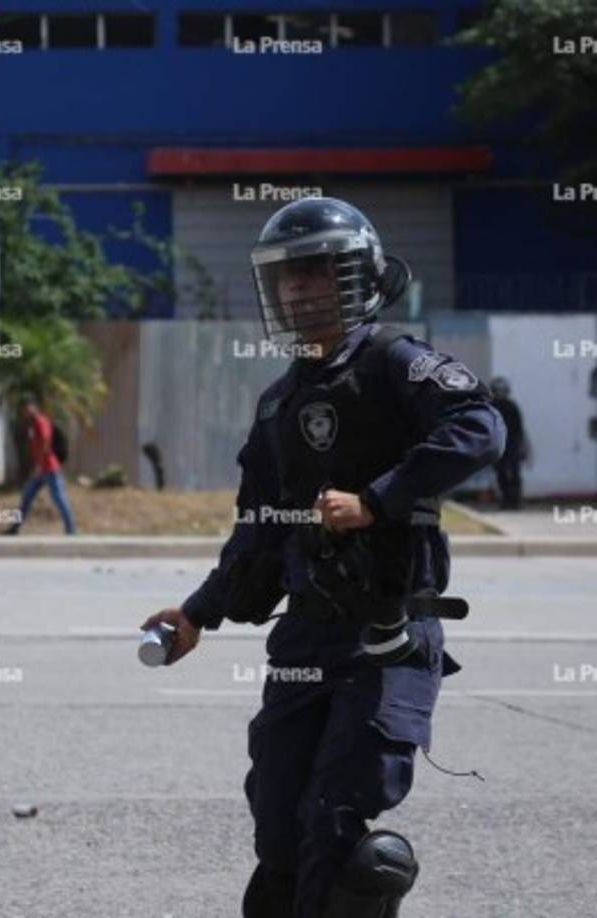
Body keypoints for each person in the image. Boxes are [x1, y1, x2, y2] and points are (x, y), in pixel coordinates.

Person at [142, 198, 506, 918]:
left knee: (335, 823)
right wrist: (196, 614)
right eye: (286, 278)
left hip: (387, 635)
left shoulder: (395, 363)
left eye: (316, 273)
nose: (299, 290)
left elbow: (480, 426)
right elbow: (260, 536)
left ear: (360, 278)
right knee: (278, 820)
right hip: (306, 637)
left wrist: (379, 498)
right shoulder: (281, 403)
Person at [6, 395, 76, 535]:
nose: (25, 411)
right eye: (23, 409)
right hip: (41, 469)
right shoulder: (32, 424)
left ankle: (71, 530)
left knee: (59, 498)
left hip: (50, 468)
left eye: (27, 407)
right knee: (27, 496)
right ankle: (15, 528)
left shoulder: (40, 420)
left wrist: (40, 465)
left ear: (34, 407)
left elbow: (46, 441)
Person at [490, 376, 529, 510]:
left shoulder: (512, 406)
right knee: (501, 473)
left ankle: (515, 501)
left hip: (512, 444)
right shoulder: (491, 406)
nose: (500, 393)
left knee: (514, 473)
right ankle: (505, 500)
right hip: (498, 445)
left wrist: (522, 446)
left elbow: (519, 429)